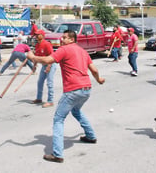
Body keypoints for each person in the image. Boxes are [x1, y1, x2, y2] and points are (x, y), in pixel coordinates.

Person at [27, 30, 105, 163]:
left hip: (73, 90)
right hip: (86, 89)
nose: (61, 40)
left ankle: (58, 154)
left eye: (64, 37)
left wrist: (32, 57)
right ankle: (91, 136)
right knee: (76, 111)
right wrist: (99, 80)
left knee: (58, 119)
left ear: (71, 39)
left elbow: (47, 60)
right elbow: (94, 70)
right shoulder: (83, 51)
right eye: (62, 37)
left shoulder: (64, 49)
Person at [32, 29, 57, 108]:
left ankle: (50, 101)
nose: (36, 36)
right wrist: (34, 65)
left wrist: (49, 66)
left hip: (51, 64)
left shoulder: (47, 44)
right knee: (40, 82)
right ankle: (39, 98)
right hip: (44, 65)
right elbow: (36, 56)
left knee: (49, 83)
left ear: (42, 36)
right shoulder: (37, 45)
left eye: (38, 34)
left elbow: (52, 55)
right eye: (35, 34)